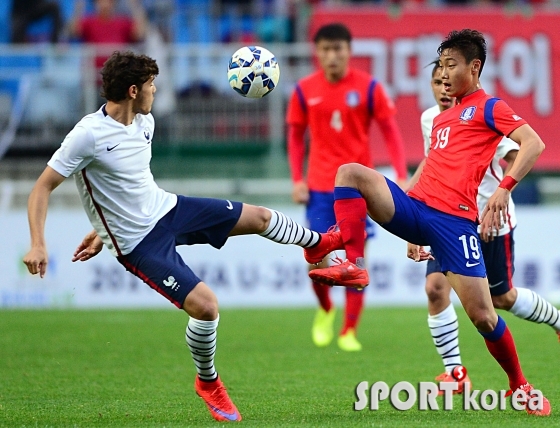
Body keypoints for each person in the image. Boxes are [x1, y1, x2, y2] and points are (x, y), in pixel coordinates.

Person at [22, 50, 338, 423]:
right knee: (206, 307)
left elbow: (126, 184)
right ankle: (208, 382)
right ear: (135, 89)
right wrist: (40, 243)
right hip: (138, 244)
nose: (157, 90)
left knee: (260, 216)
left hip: (167, 208)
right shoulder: (87, 135)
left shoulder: (145, 122)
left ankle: (317, 244)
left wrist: (99, 225)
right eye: (153, 84)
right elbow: (41, 188)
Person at [306, 29, 551, 416]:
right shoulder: (439, 120)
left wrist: (504, 188)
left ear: (475, 67)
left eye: (452, 65)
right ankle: (353, 261)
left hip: (455, 224)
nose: (445, 74)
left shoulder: (489, 107)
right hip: (418, 211)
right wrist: (409, 217)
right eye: (441, 67)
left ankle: (519, 385)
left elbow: (533, 143)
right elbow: (429, 168)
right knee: (350, 173)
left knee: (485, 315)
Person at [406, 60, 560, 394]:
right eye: (436, 80)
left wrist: (503, 191)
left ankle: (556, 319)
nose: (443, 84)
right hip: (446, 218)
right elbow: (431, 163)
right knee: (435, 289)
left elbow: (516, 151)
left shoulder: (482, 114)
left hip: (490, 219)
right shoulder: (430, 120)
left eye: (448, 74)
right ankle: (456, 373)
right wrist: (408, 208)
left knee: (500, 298)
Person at [286, 23, 407, 352]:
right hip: (319, 187)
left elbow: (390, 130)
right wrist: (297, 178)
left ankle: (349, 330)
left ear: (348, 51)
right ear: (318, 53)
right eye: (325, 49)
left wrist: (400, 172)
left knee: (357, 259)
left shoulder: (369, 88)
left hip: (356, 190)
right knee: (315, 258)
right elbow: (296, 136)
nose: (332, 56)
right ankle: (325, 309)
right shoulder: (303, 90)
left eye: (338, 49)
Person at [68, 0, 147, 70]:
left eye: (109, 1)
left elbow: (139, 34)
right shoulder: (89, 22)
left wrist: (135, 6)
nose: (104, 4)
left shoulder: (123, 22)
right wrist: (78, 7)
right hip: (94, 74)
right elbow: (74, 32)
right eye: (100, 1)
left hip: (118, 74)